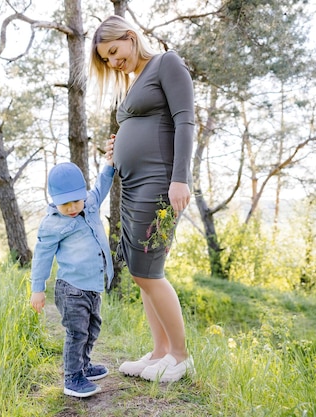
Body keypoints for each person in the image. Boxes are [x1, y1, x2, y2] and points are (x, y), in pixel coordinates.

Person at [89, 15, 195, 383]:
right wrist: (119, 144)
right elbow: (146, 124)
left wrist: (180, 178)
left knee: (148, 271)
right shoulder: (134, 83)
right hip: (133, 185)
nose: (113, 62)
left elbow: (185, 121)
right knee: (140, 272)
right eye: (106, 59)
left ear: (131, 38)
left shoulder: (167, 63)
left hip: (160, 182)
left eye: (115, 51)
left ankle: (180, 357)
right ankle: (159, 353)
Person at [30, 157, 115, 398]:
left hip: (92, 287)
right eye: (64, 204)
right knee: (77, 333)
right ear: (54, 201)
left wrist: (109, 165)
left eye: (76, 201)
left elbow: (101, 186)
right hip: (71, 290)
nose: (71, 208)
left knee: (92, 329)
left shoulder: (89, 204)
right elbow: (42, 257)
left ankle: (84, 366)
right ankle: (72, 377)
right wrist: (38, 288)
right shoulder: (52, 225)